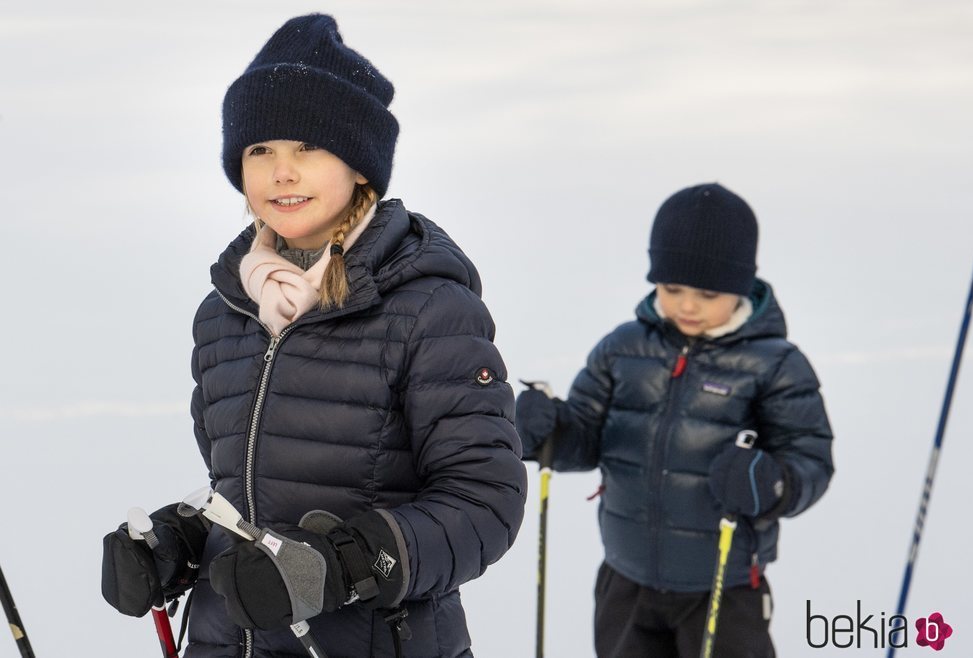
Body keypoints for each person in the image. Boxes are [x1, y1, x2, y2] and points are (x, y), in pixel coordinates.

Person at [101, 14, 527, 657]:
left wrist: (345, 564)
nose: (282, 173)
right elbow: (242, 490)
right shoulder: (226, 315)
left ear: (360, 166)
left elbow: (484, 502)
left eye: (309, 148)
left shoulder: (429, 309)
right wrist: (178, 544)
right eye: (260, 150)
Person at [516, 183, 834, 657]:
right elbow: (585, 437)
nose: (687, 305)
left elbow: (810, 461)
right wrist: (547, 431)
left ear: (742, 284)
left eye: (707, 293)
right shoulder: (622, 349)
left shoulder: (775, 364)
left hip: (722, 586)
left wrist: (770, 482)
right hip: (627, 580)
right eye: (672, 288)